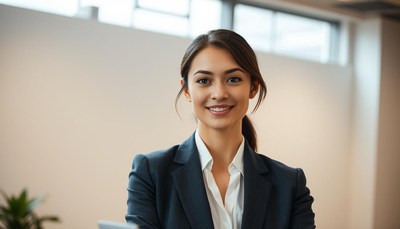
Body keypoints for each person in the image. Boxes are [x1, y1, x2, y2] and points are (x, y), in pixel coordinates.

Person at [126, 29, 315, 229]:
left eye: (233, 79)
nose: (219, 93)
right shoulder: (151, 173)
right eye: (204, 81)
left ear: (253, 87)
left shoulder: (290, 184)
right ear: (187, 90)